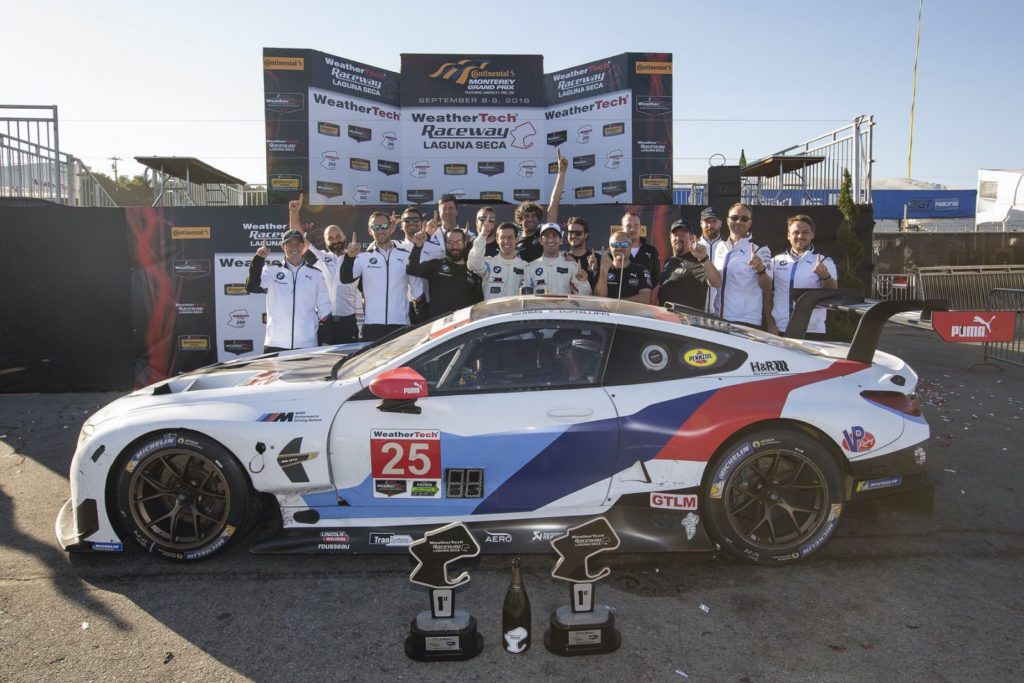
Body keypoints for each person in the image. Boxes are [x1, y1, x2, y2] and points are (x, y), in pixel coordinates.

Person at [287, 193, 360, 344]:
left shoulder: (358, 259)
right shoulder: (319, 258)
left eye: (338, 236)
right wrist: (294, 213)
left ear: (344, 237)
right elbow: (299, 237)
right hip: (325, 322)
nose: (335, 240)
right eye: (330, 238)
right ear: (325, 242)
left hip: (348, 322)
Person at [340, 211, 424, 341]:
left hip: (401, 325)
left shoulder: (406, 255)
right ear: (369, 230)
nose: (380, 231)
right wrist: (349, 258)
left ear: (391, 228)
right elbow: (345, 279)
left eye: (384, 226)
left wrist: (420, 325)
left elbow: (417, 293)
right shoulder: (363, 258)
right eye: (375, 227)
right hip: (372, 327)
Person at [245, 228, 331, 353]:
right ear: (283, 246)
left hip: (307, 344)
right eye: (289, 243)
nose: (294, 247)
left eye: (297, 243)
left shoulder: (316, 274)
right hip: (275, 343)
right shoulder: (271, 271)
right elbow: (252, 287)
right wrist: (259, 258)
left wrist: (326, 339)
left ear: (303, 246)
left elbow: (324, 310)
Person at [768, 214, 838, 338]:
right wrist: (770, 324)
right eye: (796, 232)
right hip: (781, 328)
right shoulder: (775, 261)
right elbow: (766, 292)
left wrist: (825, 276)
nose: (800, 236)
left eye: (805, 232)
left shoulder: (824, 260)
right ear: (788, 235)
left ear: (812, 235)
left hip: (812, 329)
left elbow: (833, 290)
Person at [711, 203, 773, 329]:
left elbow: (768, 286)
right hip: (718, 317)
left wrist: (761, 270)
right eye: (734, 218)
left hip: (745, 320)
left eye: (744, 219)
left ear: (750, 223)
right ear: (728, 221)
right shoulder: (720, 246)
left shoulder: (760, 248)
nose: (739, 221)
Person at [407, 228, 482, 319]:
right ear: (445, 243)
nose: (454, 246)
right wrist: (417, 247)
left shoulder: (473, 270)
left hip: (462, 326)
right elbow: (412, 269)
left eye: (459, 242)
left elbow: (477, 303)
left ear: (465, 243)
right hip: (437, 326)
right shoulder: (436, 265)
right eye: (450, 242)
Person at [516, 148, 568, 262]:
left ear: (539, 219)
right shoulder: (513, 242)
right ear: (520, 220)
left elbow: (554, 202)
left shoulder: (544, 235)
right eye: (526, 216)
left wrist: (561, 172)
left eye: (533, 216)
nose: (530, 219)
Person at [657, 219, 722, 310]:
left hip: (686, 321)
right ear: (670, 237)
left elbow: (717, 282)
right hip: (666, 320)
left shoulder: (697, 261)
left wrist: (704, 259)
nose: (678, 238)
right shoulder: (669, 261)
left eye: (682, 235)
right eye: (675, 235)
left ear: (691, 237)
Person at [467, 221, 528, 300]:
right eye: (502, 237)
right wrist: (482, 236)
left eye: (510, 237)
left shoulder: (525, 266)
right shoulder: (489, 264)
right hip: (493, 312)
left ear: (516, 239)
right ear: (497, 240)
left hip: (515, 311)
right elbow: (472, 265)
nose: (506, 241)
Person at [527, 223, 592, 295]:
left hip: (564, 306)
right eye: (547, 236)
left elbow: (585, 295)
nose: (551, 240)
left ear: (561, 240)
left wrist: (583, 283)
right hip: (538, 306)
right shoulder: (530, 267)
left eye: (554, 236)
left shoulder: (571, 266)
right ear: (541, 241)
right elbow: (524, 296)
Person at [392, 207, 429, 323]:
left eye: (416, 220)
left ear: (423, 223)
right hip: (404, 305)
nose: (411, 223)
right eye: (407, 221)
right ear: (401, 225)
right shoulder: (394, 246)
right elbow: (370, 252)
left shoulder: (435, 247)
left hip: (430, 304)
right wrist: (389, 231)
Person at [595, 230, 654, 303]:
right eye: (616, 245)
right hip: (609, 313)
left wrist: (617, 303)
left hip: (631, 314)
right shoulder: (602, 269)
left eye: (624, 244)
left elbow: (645, 298)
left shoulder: (641, 270)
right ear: (610, 248)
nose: (620, 248)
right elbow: (599, 298)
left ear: (630, 246)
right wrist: (604, 270)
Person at [621, 211, 661, 283]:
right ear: (622, 228)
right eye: (628, 226)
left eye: (636, 225)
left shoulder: (652, 251)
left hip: (647, 294)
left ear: (640, 227)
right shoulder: (616, 251)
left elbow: (656, 281)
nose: (632, 229)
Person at [698, 206, 724, 313]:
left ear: (721, 223)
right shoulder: (693, 246)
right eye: (707, 222)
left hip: (721, 311)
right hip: (697, 309)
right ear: (701, 223)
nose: (710, 225)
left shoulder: (728, 246)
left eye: (714, 221)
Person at [565, 216, 599, 289]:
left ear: (586, 235)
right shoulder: (562, 259)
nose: (573, 236)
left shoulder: (597, 259)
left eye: (578, 233)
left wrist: (596, 270)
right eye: (570, 232)